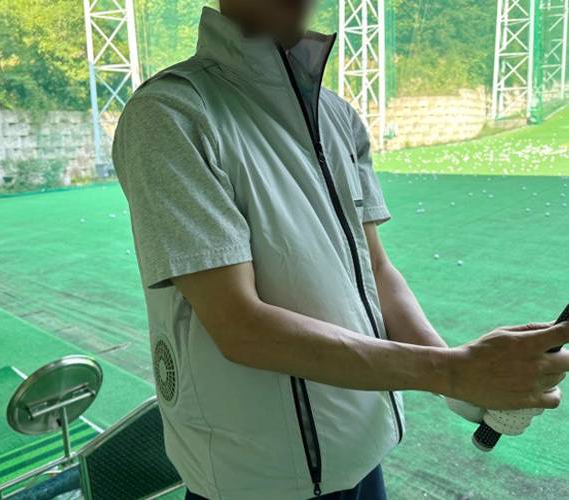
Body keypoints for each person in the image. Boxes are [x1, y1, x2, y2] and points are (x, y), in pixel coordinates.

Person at [112, 2, 569, 499]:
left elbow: (377, 270)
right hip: (256, 482)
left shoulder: (337, 115)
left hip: (364, 457)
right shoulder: (171, 113)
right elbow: (240, 326)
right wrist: (454, 371)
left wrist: (461, 380)